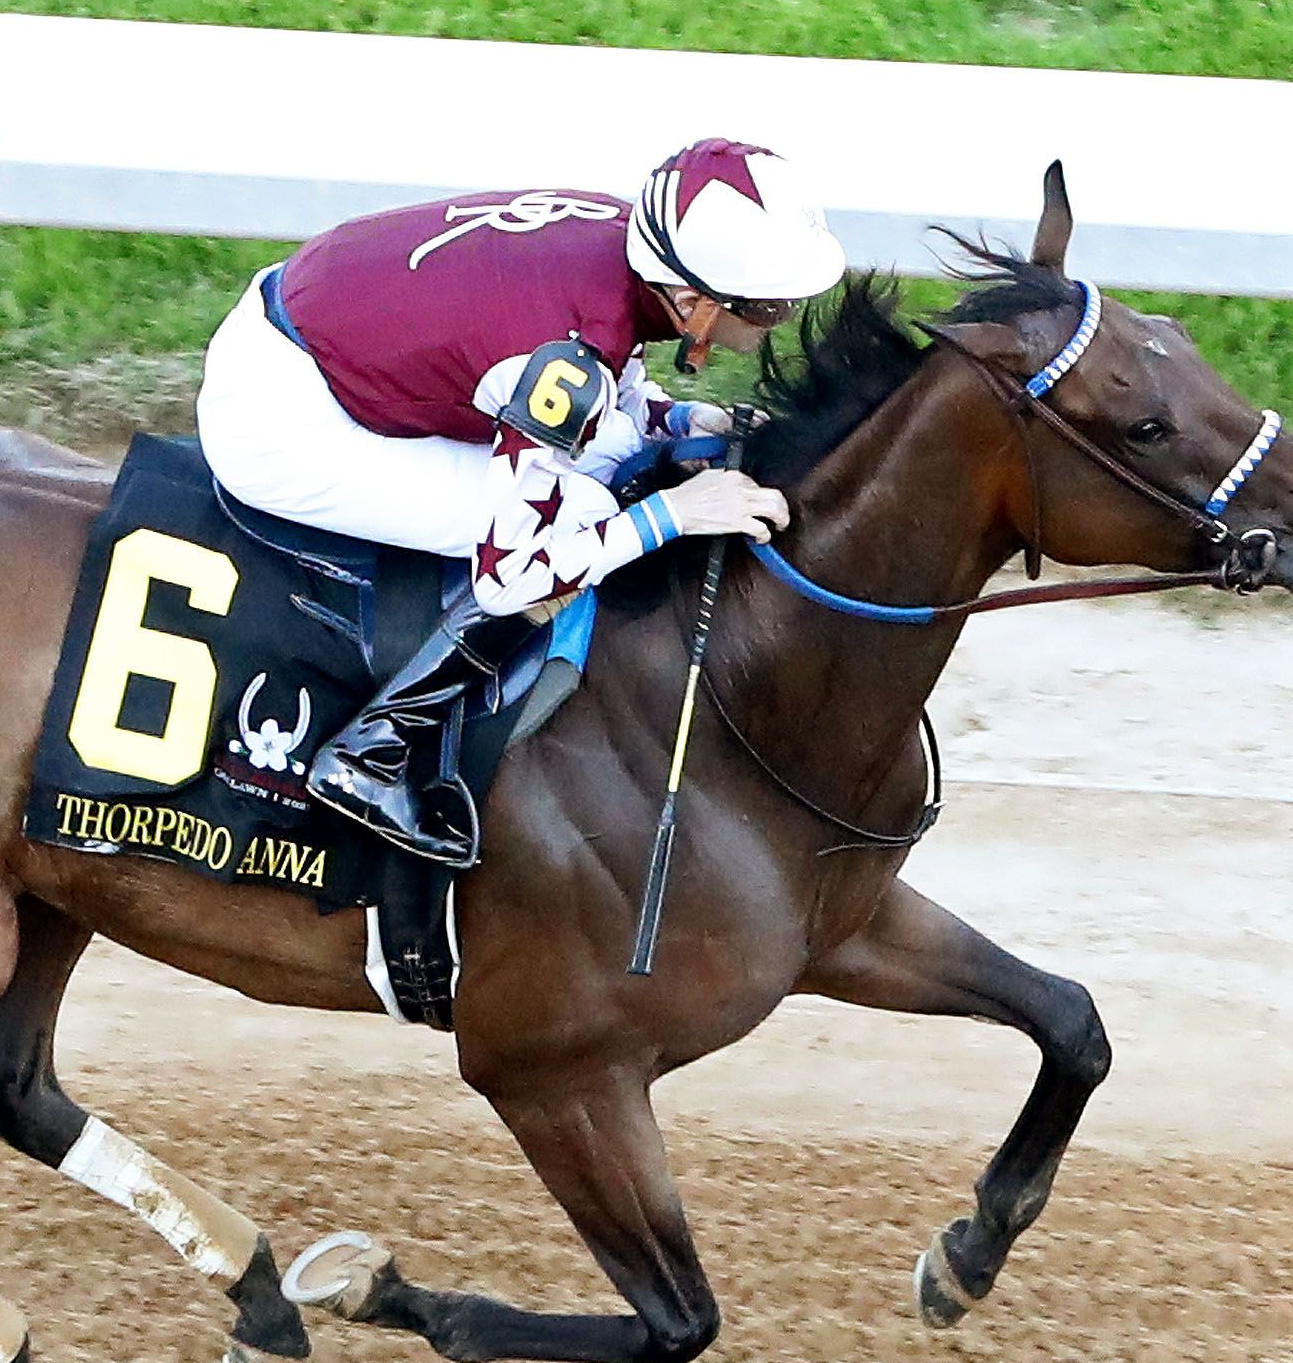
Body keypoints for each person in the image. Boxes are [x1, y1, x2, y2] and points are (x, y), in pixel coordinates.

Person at [194, 138, 845, 865]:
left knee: (603, 463)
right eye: (770, 307)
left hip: (307, 324)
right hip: (280, 419)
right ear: (691, 302)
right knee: (578, 518)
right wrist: (674, 517)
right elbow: (516, 574)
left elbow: (603, 370)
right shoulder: (566, 357)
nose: (779, 319)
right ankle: (370, 752)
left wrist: (681, 420)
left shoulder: (623, 243)